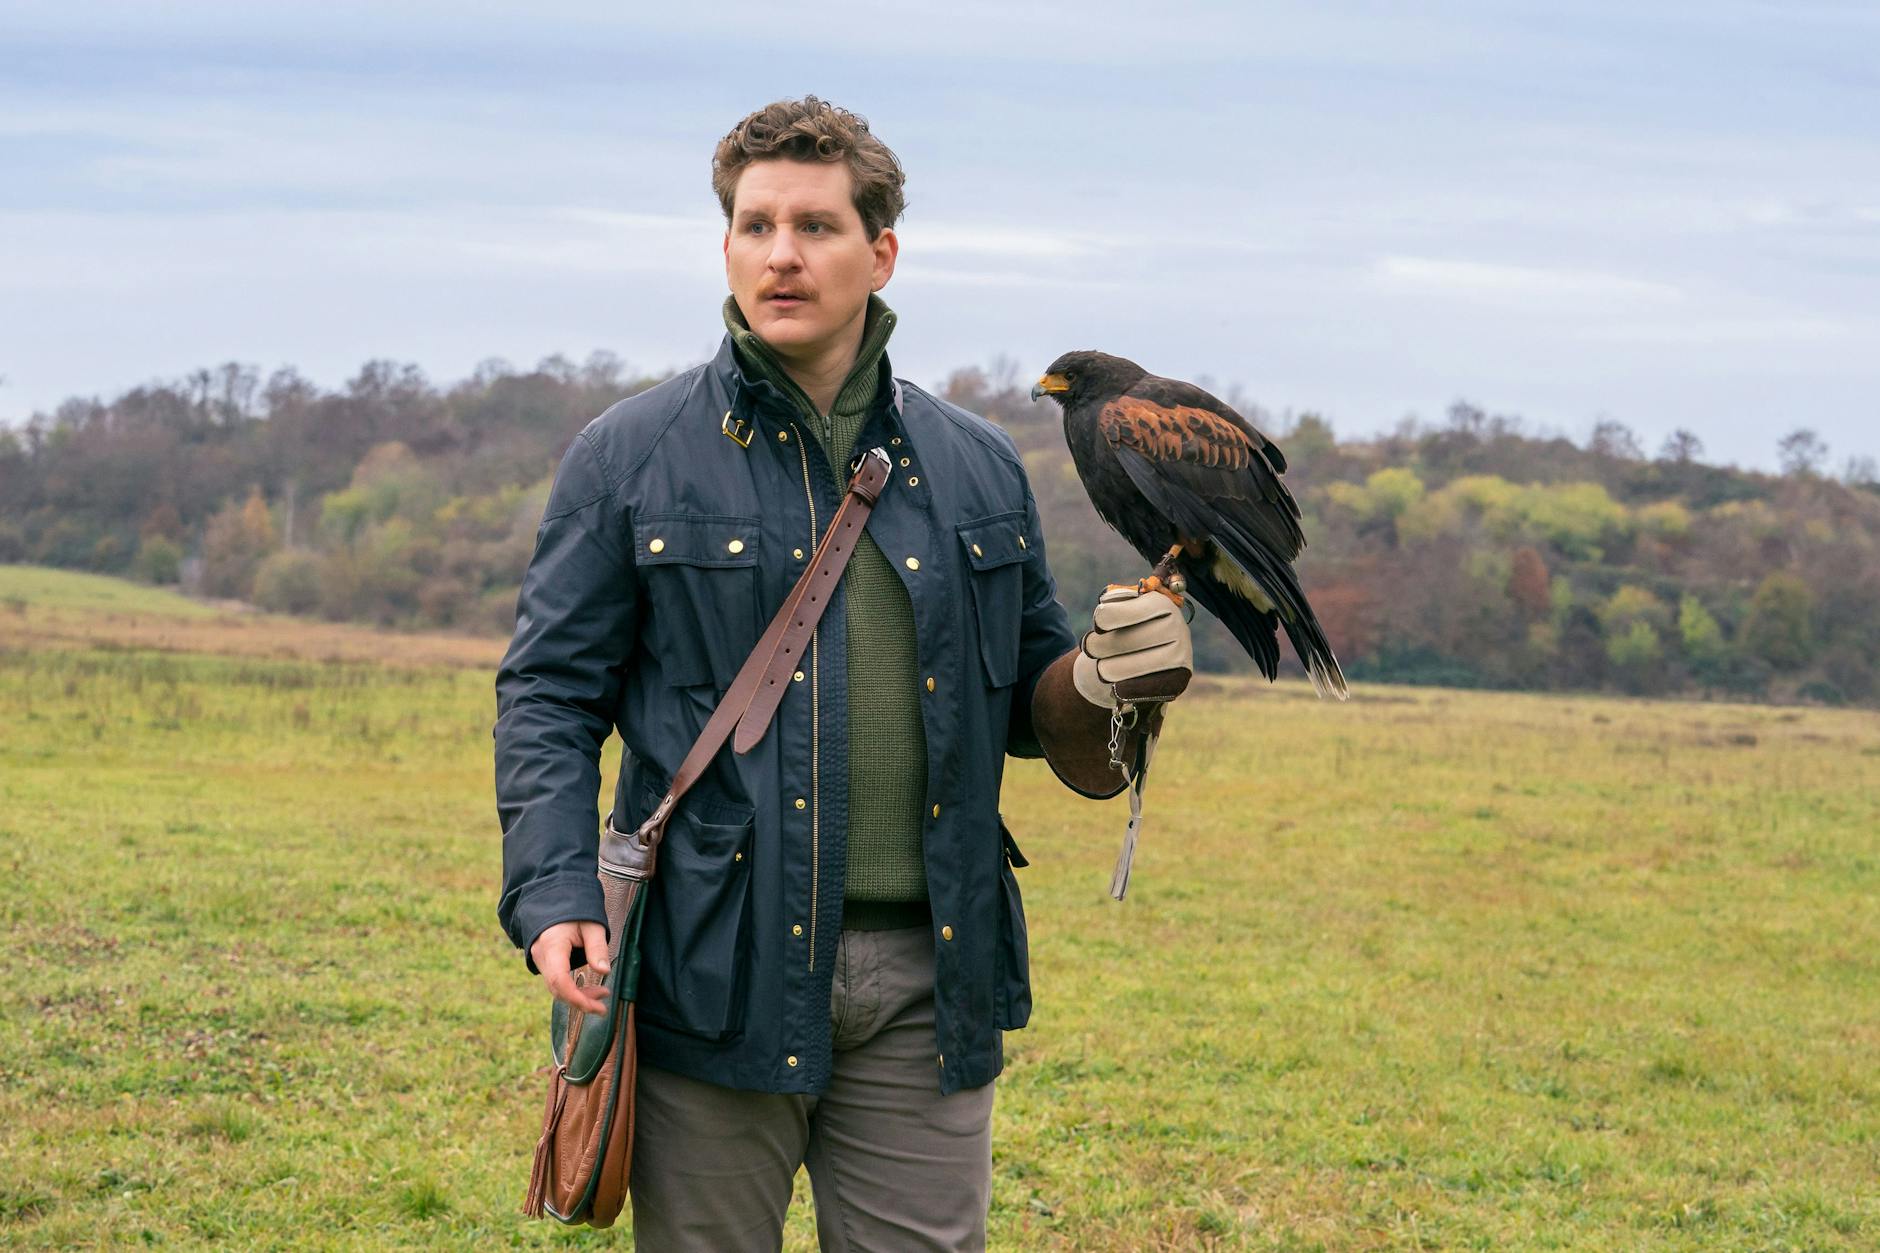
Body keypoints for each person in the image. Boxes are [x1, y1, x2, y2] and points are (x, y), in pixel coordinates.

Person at [494, 95, 1193, 1252]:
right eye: (755, 224)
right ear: (725, 245)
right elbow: (547, 696)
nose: (781, 253)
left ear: (879, 254)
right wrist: (554, 889)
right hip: (710, 967)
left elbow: (1030, 697)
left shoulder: (977, 466)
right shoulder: (629, 455)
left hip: (930, 978)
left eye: (815, 226)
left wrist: (1109, 678)